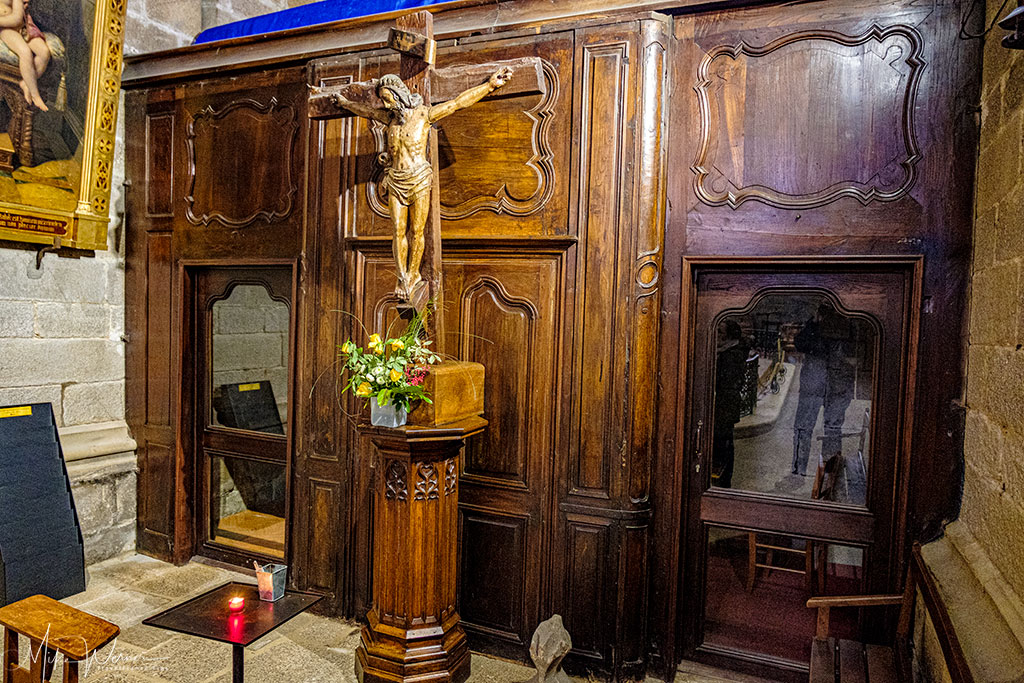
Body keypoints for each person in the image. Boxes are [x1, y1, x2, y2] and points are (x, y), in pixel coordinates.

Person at [330, 66, 513, 301]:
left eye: (388, 100)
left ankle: (414, 273)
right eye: (384, 101)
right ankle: (401, 276)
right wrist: (345, 103)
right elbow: (365, 111)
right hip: (396, 180)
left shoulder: (424, 115)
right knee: (397, 231)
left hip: (418, 179)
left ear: (398, 95)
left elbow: (457, 103)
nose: (386, 106)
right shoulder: (389, 119)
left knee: (416, 231)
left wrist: (489, 85)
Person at [791, 303, 855, 477]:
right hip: (816, 384)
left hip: (834, 386)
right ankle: (800, 469)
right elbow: (800, 343)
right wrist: (814, 322)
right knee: (806, 427)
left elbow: (851, 355)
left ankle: (830, 472)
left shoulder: (846, 325)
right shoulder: (817, 328)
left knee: (831, 429)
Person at [713, 320, 749, 488]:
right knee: (724, 443)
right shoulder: (729, 351)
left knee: (724, 445)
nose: (717, 336)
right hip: (725, 405)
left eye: (720, 333)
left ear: (728, 336)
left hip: (724, 406)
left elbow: (725, 381)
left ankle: (723, 482)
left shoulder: (732, 354)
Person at [0, 0, 50, 111]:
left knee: (44, 53)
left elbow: (17, 19)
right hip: (6, 30)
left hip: (24, 26)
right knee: (25, 52)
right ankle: (35, 95)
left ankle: (26, 83)